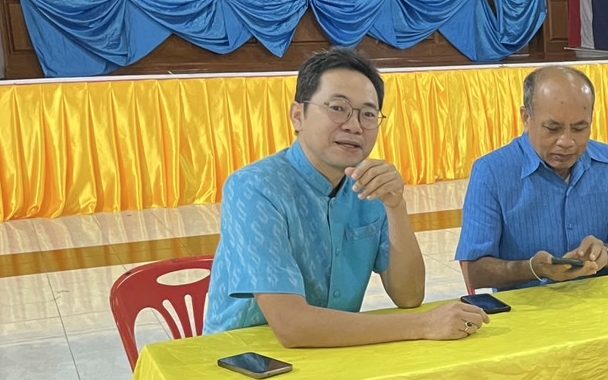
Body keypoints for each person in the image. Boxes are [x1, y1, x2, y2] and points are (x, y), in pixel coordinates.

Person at [204, 48, 488, 346]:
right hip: (243, 360)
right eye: (338, 108)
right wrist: (423, 325)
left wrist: (396, 207)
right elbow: (292, 325)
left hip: (333, 352)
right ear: (297, 115)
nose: (354, 125)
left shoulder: (367, 185)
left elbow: (409, 295)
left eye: (367, 114)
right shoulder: (255, 188)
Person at [456, 65, 608, 291]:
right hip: (528, 313)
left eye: (579, 128)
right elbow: (475, 272)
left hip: (600, 307)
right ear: (526, 118)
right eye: (553, 128)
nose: (566, 141)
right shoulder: (491, 172)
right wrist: (534, 269)